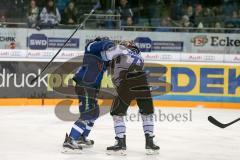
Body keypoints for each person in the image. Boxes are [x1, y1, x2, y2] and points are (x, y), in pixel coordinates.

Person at [62, 38, 130, 153]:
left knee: (94, 113)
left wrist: (122, 50)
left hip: (92, 87)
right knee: (88, 113)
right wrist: (113, 44)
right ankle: (70, 140)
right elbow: (104, 45)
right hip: (85, 84)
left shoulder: (102, 56)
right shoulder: (92, 46)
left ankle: (81, 137)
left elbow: (111, 57)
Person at [106, 41, 160, 155]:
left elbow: (108, 56)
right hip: (142, 80)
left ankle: (120, 142)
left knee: (117, 113)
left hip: (126, 80)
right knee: (147, 113)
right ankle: (150, 142)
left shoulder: (120, 49)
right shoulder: (139, 56)